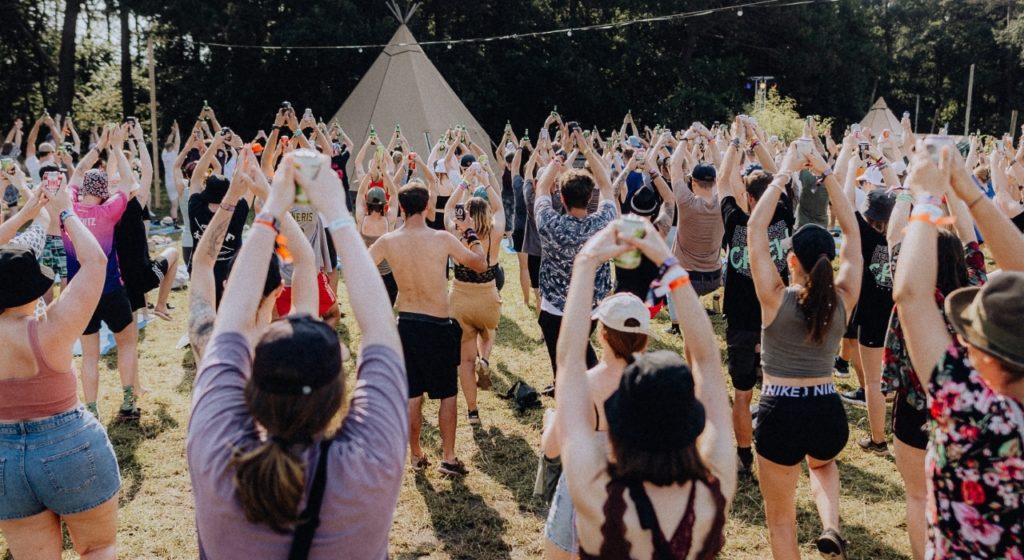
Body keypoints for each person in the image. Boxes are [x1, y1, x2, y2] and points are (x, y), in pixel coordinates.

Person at [187, 153, 409, 559]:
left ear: (252, 385)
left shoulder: (216, 454)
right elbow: (380, 328)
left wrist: (270, 209)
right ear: (339, 395)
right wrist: (336, 213)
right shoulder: (369, 467)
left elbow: (232, 315)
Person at [556, 219, 736, 559]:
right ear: (691, 422)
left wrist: (586, 262)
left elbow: (568, 364)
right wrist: (670, 267)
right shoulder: (716, 486)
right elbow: (708, 362)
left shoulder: (596, 494)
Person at [894, 145, 1023, 559]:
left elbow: (911, 296)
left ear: (984, 356)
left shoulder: (970, 409)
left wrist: (927, 198)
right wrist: (970, 194)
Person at [747, 147, 862, 559]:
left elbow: (754, 231)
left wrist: (782, 175)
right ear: (830, 262)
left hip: (780, 409)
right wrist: (828, 173)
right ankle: (831, 525)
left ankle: (827, 529)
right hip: (826, 407)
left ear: (791, 259)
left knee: (781, 522)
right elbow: (853, 233)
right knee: (823, 464)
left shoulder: (775, 298)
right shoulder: (845, 297)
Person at [0, 179, 122, 559]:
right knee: (97, 548)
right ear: (36, 291)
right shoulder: (52, 328)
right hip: (68, 444)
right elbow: (96, 262)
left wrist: (24, 214)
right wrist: (64, 210)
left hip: (3, 455)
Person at [882, 166, 986, 560]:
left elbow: (894, 236)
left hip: (912, 408)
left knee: (916, 495)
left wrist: (912, 190)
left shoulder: (910, 296)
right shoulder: (974, 291)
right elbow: (970, 239)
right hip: (965, 415)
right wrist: (954, 187)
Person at [369, 180, 487, 476]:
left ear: (402, 207)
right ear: (426, 207)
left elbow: (359, 268)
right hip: (437, 324)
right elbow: (480, 264)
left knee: (412, 394)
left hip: (406, 322)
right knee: (447, 393)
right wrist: (470, 230)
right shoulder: (442, 239)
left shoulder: (387, 241)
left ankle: (417, 454)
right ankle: (448, 456)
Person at [541, 291, 650, 559]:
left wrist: (551, 421)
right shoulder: (658, 386)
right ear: (645, 341)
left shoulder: (583, 385)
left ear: (601, 334)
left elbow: (551, 450)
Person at [718, 133, 795, 482]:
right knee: (776, 388)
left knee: (742, 392)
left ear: (748, 197)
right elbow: (780, 173)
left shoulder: (735, 219)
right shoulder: (783, 215)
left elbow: (722, 180)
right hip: (777, 314)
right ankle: (776, 448)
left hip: (740, 317)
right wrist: (757, 140)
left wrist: (735, 143)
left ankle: (744, 458)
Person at [67, 126, 142, 422]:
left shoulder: (68, 210)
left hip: (80, 294)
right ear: (104, 193)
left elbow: (76, 174)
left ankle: (92, 410)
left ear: (85, 190)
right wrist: (116, 147)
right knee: (127, 343)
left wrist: (98, 146)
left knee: (89, 356)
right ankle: (127, 403)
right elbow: (129, 181)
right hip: (111, 289)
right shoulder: (109, 211)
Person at [535, 130, 618, 392]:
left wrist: (561, 154)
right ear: (589, 197)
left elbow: (540, 187)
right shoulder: (603, 223)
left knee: (567, 355)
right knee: (578, 346)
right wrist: (587, 150)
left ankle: (582, 391)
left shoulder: (550, 223)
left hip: (555, 305)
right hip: (590, 305)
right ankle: (571, 386)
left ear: (561, 198)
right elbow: (606, 187)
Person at [840, 149, 900, 456]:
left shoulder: (860, 232)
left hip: (872, 316)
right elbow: (904, 195)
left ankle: (878, 440)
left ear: (868, 215)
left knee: (874, 383)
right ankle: (903, 430)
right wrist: (883, 163)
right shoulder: (903, 235)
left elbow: (846, 198)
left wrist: (852, 165)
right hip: (901, 316)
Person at [444, 166, 506, 424]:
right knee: (488, 332)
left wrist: (464, 182)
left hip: (460, 299)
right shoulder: (495, 233)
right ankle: (486, 359)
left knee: (464, 360)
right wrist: (485, 180)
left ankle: (472, 411)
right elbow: (501, 208)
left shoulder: (457, 232)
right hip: (488, 296)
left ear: (466, 214)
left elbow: (447, 209)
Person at [115, 121, 180, 322]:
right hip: (145, 277)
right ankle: (160, 304)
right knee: (174, 253)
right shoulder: (135, 206)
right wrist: (140, 139)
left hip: (122, 280)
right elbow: (148, 172)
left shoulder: (109, 209)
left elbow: (111, 176)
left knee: (130, 333)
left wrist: (114, 146)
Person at [672, 161, 725, 298]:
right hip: (714, 277)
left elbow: (674, 164)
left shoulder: (685, 202)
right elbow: (725, 171)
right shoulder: (723, 203)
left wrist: (684, 140)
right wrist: (711, 142)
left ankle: (680, 318)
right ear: (715, 182)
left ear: (693, 183)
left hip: (686, 277)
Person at [355, 155, 400, 305]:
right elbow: (394, 194)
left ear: (366, 204)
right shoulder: (390, 220)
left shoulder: (361, 219)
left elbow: (361, 193)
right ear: (384, 204)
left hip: (366, 273)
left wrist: (370, 171)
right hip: (386, 274)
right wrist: (385, 172)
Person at [161, 121, 181, 223]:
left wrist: (172, 133)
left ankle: (175, 222)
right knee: (183, 201)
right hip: (177, 180)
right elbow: (177, 142)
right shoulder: (174, 154)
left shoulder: (164, 155)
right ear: (172, 148)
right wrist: (177, 131)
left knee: (174, 204)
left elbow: (167, 144)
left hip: (169, 182)